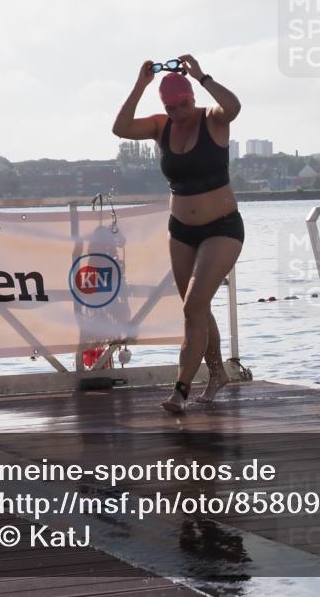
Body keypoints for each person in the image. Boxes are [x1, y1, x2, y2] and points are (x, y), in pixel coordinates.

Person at [112, 54, 242, 413]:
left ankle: (180, 390)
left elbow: (234, 105)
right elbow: (120, 128)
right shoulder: (161, 125)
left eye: (182, 105)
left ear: (192, 98)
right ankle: (217, 374)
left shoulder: (212, 119)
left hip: (223, 227)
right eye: (170, 108)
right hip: (181, 230)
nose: (178, 113)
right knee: (196, 307)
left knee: (192, 304)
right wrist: (141, 85)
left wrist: (202, 76)